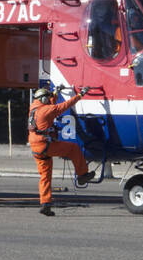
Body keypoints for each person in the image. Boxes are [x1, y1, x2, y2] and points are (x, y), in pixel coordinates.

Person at [27, 84, 96, 216]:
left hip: (36, 148)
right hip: (45, 145)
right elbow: (63, 106)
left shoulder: (34, 107)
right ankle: (82, 175)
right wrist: (80, 95)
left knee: (45, 177)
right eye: (47, 98)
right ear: (43, 99)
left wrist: (55, 92)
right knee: (73, 149)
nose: (49, 99)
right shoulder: (46, 110)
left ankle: (45, 204)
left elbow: (49, 104)